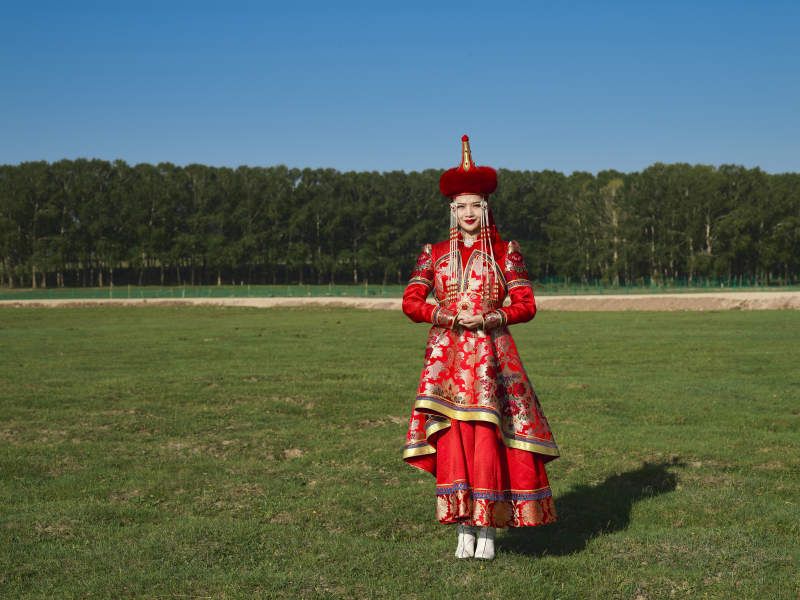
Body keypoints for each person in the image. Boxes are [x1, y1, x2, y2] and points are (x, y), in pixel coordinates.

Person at [402, 135, 559, 560]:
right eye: (460, 207)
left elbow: (526, 304)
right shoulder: (432, 253)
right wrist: (448, 317)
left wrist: (489, 318)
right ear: (451, 211)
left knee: (488, 436)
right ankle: (463, 527)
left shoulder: (506, 252)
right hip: (447, 360)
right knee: (454, 437)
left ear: (485, 207)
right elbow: (411, 301)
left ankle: (487, 529)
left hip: (494, 360)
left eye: (475, 205)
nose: (468, 213)